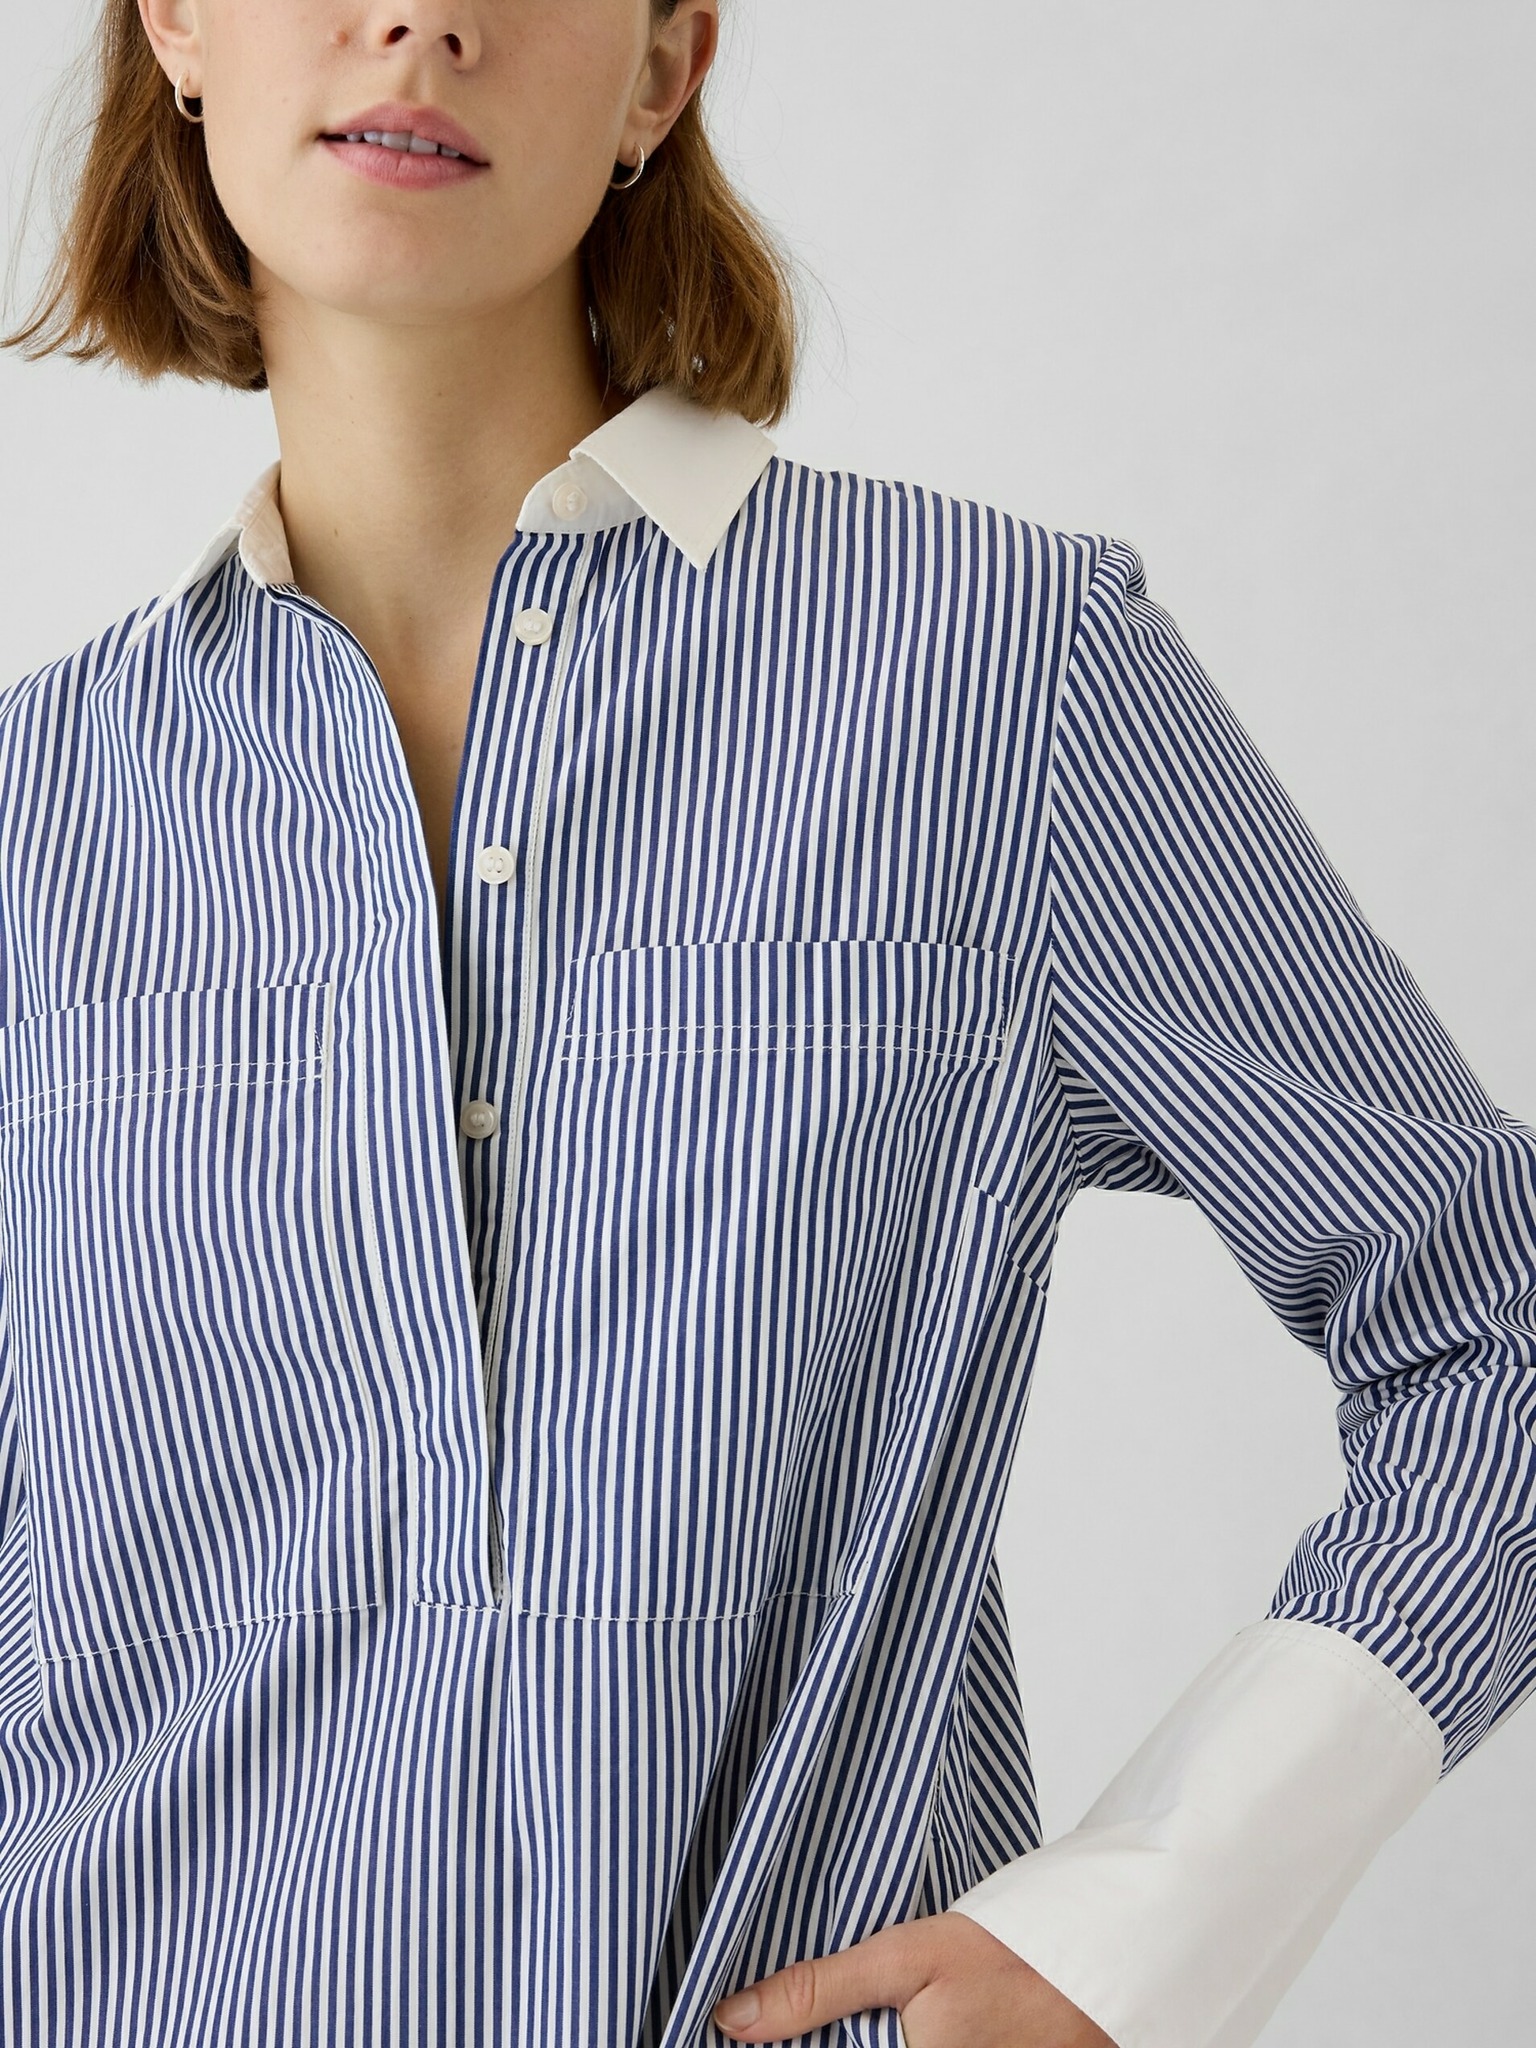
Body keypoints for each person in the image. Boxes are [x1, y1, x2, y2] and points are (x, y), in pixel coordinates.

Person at [0, 3, 1530, 2047]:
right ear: (176, 23)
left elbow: (1495, 1320)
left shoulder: (998, 678)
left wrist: (1152, 1924)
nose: (423, 21)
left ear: (661, 67)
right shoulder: (34, 811)